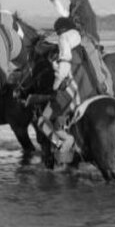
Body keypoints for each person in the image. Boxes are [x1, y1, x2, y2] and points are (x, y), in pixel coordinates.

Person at [48, 0, 112, 95]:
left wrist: (68, 23)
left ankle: (64, 71)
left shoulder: (84, 6)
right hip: (77, 33)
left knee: (65, 39)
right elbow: (68, 16)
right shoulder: (74, 5)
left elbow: (78, 22)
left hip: (86, 35)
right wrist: (56, 3)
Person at [35, 17, 81, 163]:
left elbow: (64, 67)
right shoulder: (76, 40)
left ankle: (66, 142)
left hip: (64, 92)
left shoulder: (63, 40)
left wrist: (55, 85)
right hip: (74, 91)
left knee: (43, 122)